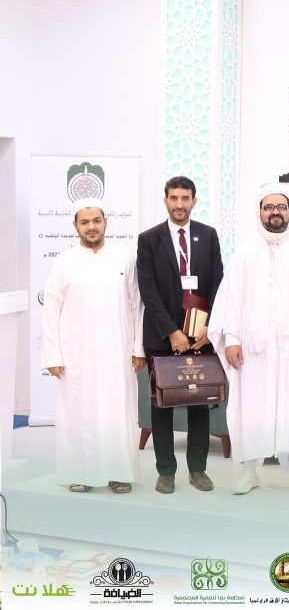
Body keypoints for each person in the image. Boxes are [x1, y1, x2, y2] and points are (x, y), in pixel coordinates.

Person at [207, 185, 289, 495]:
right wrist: (231, 338)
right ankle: (250, 472)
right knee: (252, 405)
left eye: (281, 207)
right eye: (268, 207)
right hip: (254, 348)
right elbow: (232, 298)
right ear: (259, 212)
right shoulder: (245, 252)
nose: (275, 212)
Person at [42, 199, 146, 494]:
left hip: (118, 351)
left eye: (96, 221)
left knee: (117, 413)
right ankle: (81, 472)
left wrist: (138, 347)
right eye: (84, 222)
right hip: (76, 354)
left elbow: (137, 305)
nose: (91, 227)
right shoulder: (64, 261)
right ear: (75, 226)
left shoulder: (124, 257)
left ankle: (119, 473)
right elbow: (51, 309)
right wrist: (53, 354)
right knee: (79, 412)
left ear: (105, 222)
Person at [137, 176, 224, 494]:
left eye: (185, 198)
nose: (179, 204)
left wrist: (209, 327)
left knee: (200, 404)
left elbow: (218, 283)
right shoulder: (149, 239)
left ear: (194, 201)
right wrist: (171, 331)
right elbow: (148, 290)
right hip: (162, 337)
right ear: (165, 201)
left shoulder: (208, 235)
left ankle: (198, 470)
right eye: (173, 198)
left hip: (200, 335)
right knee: (162, 406)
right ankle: (166, 472)